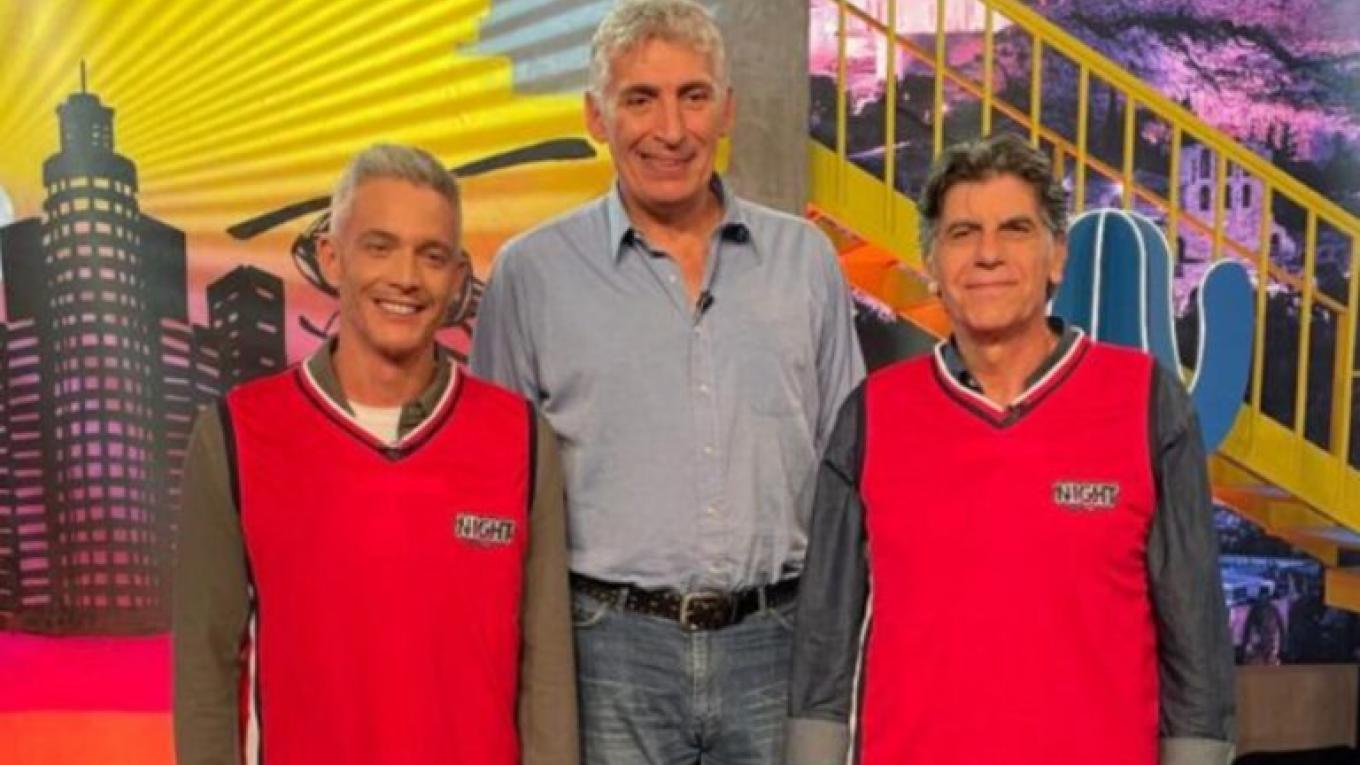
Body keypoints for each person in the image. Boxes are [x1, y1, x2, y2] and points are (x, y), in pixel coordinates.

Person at [470, 1, 864, 761]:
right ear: (596, 116)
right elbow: (497, 495)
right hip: (605, 652)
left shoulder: (806, 262)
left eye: (694, 95)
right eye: (640, 99)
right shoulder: (531, 274)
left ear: (728, 109)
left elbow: (847, 474)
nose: (672, 130)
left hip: (776, 644)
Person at [786, 132, 1235, 765]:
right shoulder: (872, 415)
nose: (988, 254)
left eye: (1015, 229)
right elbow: (824, 643)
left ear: (1058, 257)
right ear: (933, 263)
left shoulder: (1147, 403)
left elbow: (1196, 641)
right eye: (963, 233)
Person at [173, 144, 576, 765]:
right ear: (332, 257)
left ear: (457, 279)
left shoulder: (520, 437)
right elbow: (205, 670)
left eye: (431, 255)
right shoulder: (235, 434)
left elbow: (546, 678)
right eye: (379, 246)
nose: (406, 277)